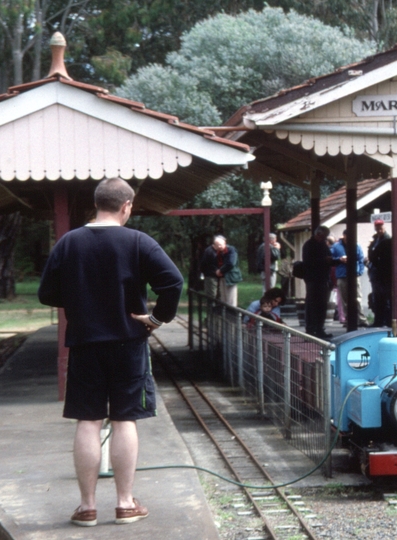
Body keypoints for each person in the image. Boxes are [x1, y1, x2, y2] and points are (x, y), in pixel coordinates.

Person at [37, 177, 183, 527]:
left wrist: (79, 301)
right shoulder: (138, 241)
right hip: (128, 342)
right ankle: (124, 503)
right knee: (124, 420)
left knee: (87, 421)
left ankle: (87, 507)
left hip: (85, 343)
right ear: (126, 206)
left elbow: (46, 294)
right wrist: (157, 318)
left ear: (96, 203)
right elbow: (173, 281)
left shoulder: (68, 242)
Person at [331, 229, 369, 328]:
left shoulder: (357, 245)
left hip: (354, 275)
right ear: (344, 236)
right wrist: (339, 259)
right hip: (342, 275)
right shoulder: (336, 246)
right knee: (345, 300)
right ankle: (349, 319)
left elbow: (361, 259)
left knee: (357, 298)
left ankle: (361, 319)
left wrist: (360, 271)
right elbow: (330, 258)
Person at [302, 226, 335, 339]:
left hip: (322, 279)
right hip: (312, 279)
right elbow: (308, 261)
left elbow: (328, 257)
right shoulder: (309, 245)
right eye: (323, 236)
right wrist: (324, 260)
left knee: (322, 305)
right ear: (318, 234)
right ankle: (311, 329)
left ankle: (319, 328)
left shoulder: (323, 245)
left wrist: (335, 261)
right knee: (312, 304)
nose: (324, 239)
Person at [200, 235, 240, 306]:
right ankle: (224, 315)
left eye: (220, 245)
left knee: (231, 300)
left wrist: (220, 271)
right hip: (222, 277)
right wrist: (217, 271)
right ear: (214, 245)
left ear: (224, 243)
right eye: (217, 245)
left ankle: (232, 316)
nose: (219, 246)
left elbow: (230, 263)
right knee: (223, 299)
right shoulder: (217, 252)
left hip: (230, 278)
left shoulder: (231, 250)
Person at [367, 219, 392, 327]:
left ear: (384, 227)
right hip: (375, 273)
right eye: (377, 227)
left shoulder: (387, 240)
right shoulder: (375, 239)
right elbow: (371, 254)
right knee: (376, 298)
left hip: (383, 273)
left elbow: (376, 256)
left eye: (381, 226)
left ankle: (385, 321)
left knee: (384, 298)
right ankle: (378, 320)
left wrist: (377, 264)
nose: (379, 229)